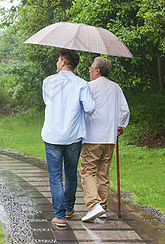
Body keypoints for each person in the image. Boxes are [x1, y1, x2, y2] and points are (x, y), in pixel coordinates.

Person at [42, 49, 95, 228]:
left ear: (63, 62)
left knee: (55, 176)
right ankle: (69, 209)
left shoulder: (48, 81)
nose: (57, 63)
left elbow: (47, 102)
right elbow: (89, 108)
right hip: (73, 137)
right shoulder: (82, 84)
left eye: (58, 60)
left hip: (52, 136)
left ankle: (60, 216)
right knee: (71, 174)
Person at [80, 57, 130, 222]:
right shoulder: (115, 87)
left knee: (87, 171)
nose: (89, 69)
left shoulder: (89, 86)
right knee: (102, 173)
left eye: (91, 67)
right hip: (109, 138)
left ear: (97, 70)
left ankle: (94, 205)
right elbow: (124, 110)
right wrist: (119, 125)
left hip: (92, 137)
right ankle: (102, 206)